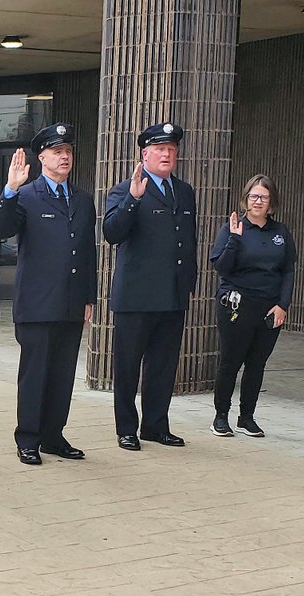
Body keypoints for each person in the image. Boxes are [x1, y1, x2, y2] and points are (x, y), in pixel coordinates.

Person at [0, 124, 96, 465]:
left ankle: (53, 435)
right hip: (37, 304)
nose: (64, 156)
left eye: (67, 151)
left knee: (62, 373)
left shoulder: (82, 199)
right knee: (35, 373)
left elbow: (87, 252)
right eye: (56, 152)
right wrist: (9, 189)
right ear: (42, 158)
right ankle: (28, 439)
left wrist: (89, 297)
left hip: (70, 303)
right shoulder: (26, 195)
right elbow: (0, 229)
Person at [103, 122, 197, 451]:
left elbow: (188, 241)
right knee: (128, 366)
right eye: (160, 150)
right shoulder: (125, 189)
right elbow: (112, 233)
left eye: (171, 150)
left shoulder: (184, 191)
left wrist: (189, 283)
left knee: (163, 366)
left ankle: (156, 425)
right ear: (145, 154)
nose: (167, 155)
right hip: (137, 296)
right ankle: (126, 428)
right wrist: (132, 199)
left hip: (172, 296)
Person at [208, 174, 296, 437]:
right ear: (246, 199)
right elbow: (221, 267)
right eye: (254, 196)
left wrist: (283, 305)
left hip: (269, 309)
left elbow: (288, 270)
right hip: (236, 306)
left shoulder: (281, 233)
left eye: (264, 197)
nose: (258, 201)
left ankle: (247, 417)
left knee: (257, 364)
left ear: (272, 202)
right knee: (230, 362)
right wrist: (235, 240)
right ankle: (220, 416)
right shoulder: (232, 228)